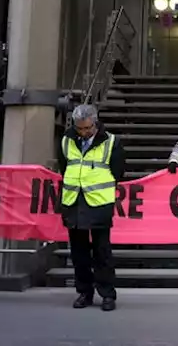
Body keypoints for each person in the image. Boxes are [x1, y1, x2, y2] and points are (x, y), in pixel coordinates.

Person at [61, 103, 126, 312]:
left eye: (87, 128)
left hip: (99, 202)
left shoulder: (112, 142)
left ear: (95, 123)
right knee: (78, 252)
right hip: (73, 201)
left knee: (102, 251)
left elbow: (118, 172)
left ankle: (107, 294)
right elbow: (64, 168)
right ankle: (84, 292)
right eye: (79, 128)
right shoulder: (66, 140)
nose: (83, 132)